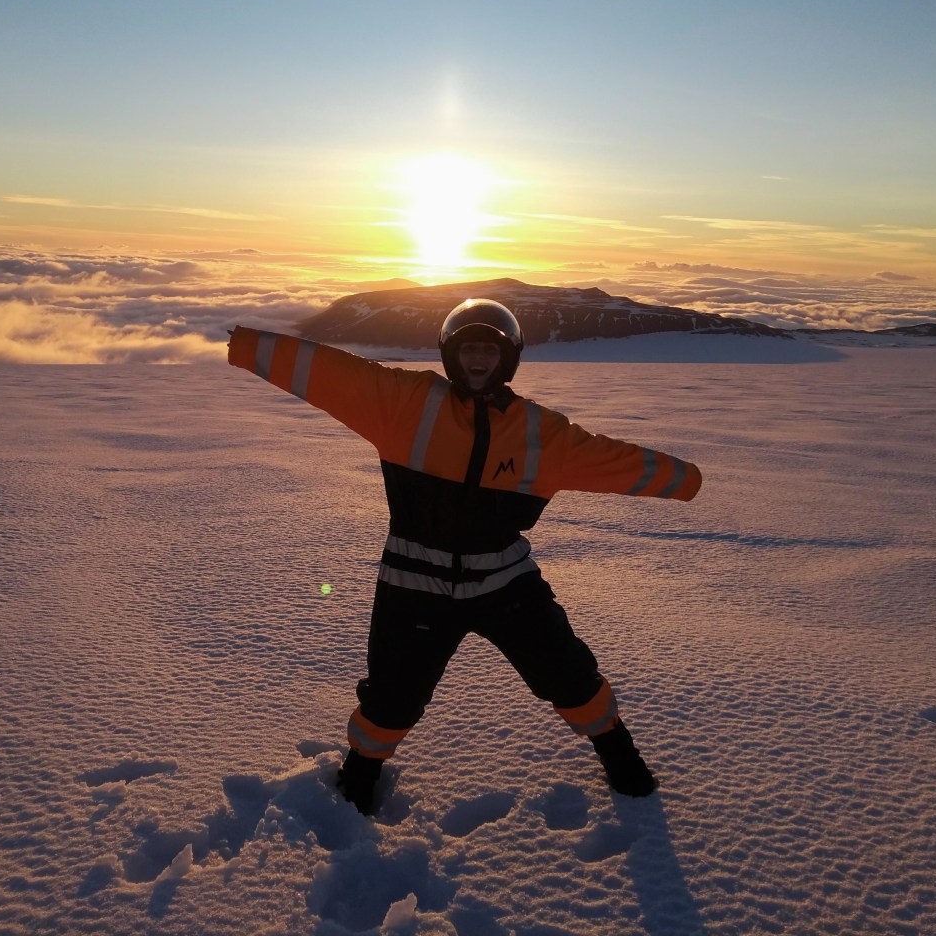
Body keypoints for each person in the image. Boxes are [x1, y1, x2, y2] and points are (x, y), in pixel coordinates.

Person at [228, 298, 702, 814]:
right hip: (414, 588)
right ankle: (360, 775)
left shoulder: (542, 435)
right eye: (469, 348)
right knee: (392, 697)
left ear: (509, 358)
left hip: (507, 585)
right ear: (451, 356)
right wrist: (248, 346)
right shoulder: (407, 406)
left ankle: (619, 754)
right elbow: (332, 373)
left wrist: (685, 481)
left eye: (490, 350)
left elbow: (615, 460)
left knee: (569, 675)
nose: (479, 358)